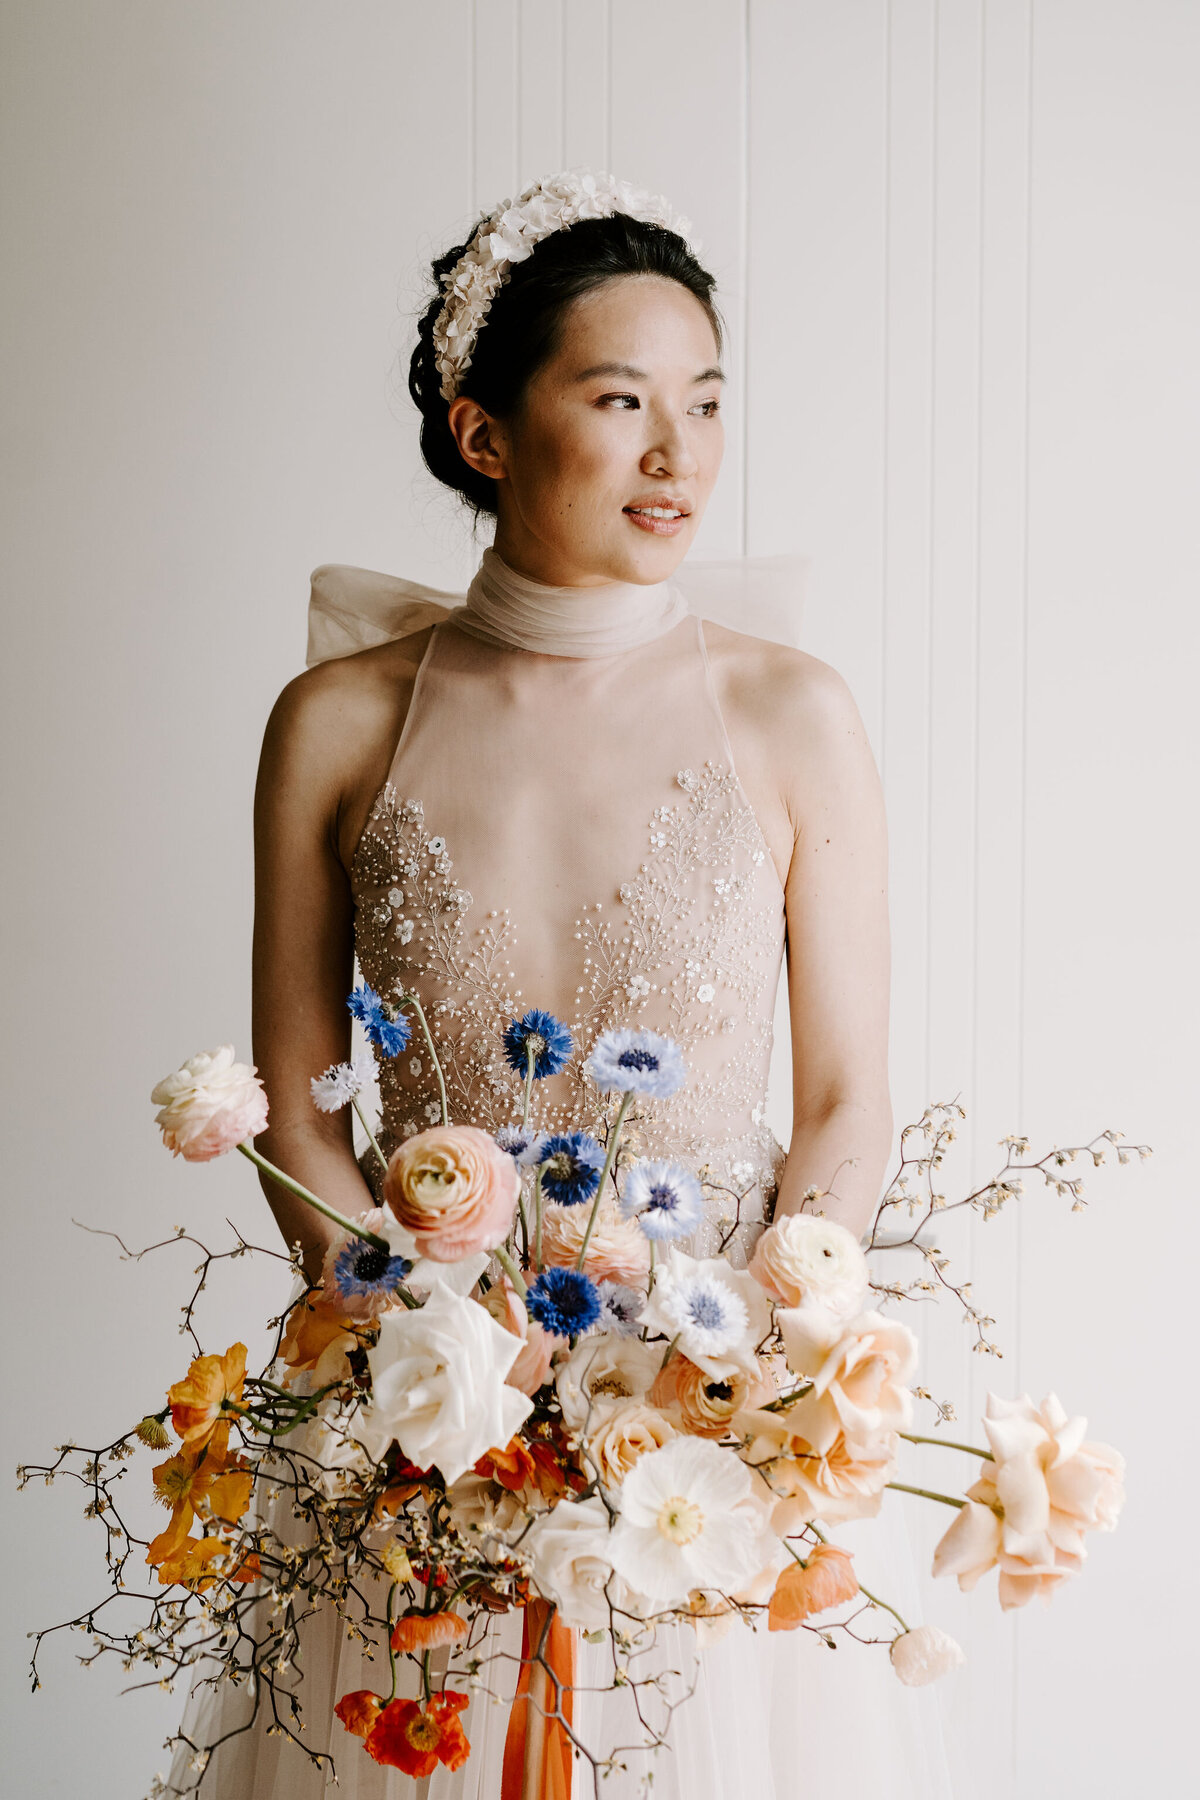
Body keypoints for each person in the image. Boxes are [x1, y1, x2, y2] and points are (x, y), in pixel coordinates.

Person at [167, 169, 953, 1799]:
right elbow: (299, 1107)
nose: (681, 455)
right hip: (421, 1426)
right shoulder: (336, 722)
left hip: (704, 1436)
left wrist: (749, 1360)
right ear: (486, 435)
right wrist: (424, 1343)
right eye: (621, 401)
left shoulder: (793, 713)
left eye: (706, 402)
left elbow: (842, 1099)